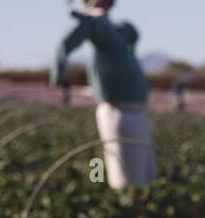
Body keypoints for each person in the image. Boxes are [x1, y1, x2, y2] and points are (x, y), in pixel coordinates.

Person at [52, 0, 157, 190]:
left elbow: (132, 34)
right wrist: (58, 75)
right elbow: (65, 44)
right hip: (116, 111)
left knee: (142, 172)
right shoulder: (95, 26)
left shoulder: (117, 30)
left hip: (137, 111)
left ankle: (127, 202)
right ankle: (101, 192)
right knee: (121, 173)